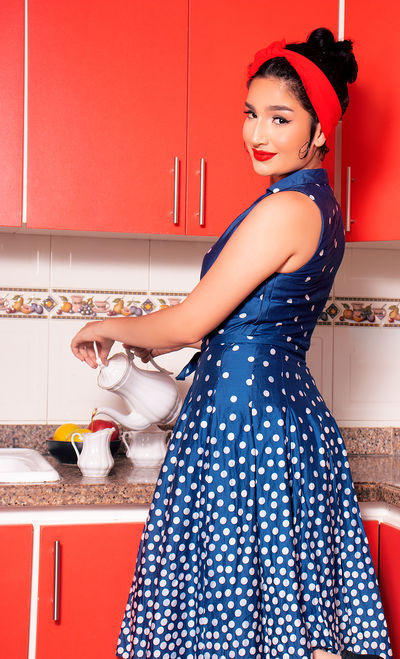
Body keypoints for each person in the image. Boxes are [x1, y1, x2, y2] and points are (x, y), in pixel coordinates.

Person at [71, 27, 392, 659]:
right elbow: (232, 321)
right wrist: (158, 342)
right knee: (277, 618)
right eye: (251, 114)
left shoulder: (286, 210)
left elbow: (190, 323)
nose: (257, 134)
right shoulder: (314, 205)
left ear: (319, 131)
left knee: (233, 619)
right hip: (269, 421)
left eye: (281, 118)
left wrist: (105, 327)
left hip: (247, 428)